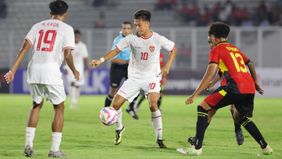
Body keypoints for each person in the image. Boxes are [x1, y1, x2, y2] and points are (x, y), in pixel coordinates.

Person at [177, 22, 272, 156]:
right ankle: (265, 147)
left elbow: (210, 72)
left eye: (209, 36)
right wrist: (255, 82)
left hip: (233, 87)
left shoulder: (216, 50)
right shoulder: (234, 49)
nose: (208, 39)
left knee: (203, 107)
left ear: (214, 37)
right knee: (239, 116)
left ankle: (196, 148)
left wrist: (195, 94)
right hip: (248, 87)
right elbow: (249, 63)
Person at [4, 0, 79, 157]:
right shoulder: (67, 29)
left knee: (36, 105)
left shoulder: (38, 25)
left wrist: (13, 70)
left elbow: (24, 48)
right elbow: (67, 54)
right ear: (65, 13)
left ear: (50, 12)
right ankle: (54, 149)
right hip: (50, 70)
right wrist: (74, 70)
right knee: (59, 107)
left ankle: (28, 145)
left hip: (34, 69)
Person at [91, 10, 176, 148]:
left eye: (140, 25)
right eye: (136, 25)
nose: (138, 28)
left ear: (147, 24)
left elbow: (173, 49)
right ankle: (119, 129)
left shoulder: (158, 39)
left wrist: (167, 66)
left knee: (153, 105)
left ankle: (159, 138)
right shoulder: (131, 38)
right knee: (115, 105)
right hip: (134, 78)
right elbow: (115, 51)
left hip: (151, 78)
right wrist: (100, 60)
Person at [126, 53, 167, 120]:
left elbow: (163, 67)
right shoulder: (149, 53)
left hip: (158, 77)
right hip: (150, 76)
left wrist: (164, 77)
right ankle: (135, 106)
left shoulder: (161, 55)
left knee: (159, 93)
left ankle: (157, 109)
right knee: (145, 93)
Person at [104, 21, 132, 107]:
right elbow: (113, 58)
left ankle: (131, 108)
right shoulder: (118, 40)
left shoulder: (134, 39)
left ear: (131, 29)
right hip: (117, 68)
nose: (126, 30)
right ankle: (105, 111)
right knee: (113, 91)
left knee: (134, 89)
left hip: (129, 68)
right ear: (121, 29)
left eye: (128, 28)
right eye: (124, 28)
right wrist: (126, 61)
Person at [65, 29, 89, 109]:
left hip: (80, 67)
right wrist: (65, 66)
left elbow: (85, 58)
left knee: (78, 85)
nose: (77, 38)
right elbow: (65, 56)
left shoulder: (83, 46)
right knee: (72, 83)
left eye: (78, 36)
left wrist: (87, 68)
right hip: (70, 67)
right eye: (75, 36)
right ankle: (73, 101)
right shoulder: (69, 45)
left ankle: (75, 100)